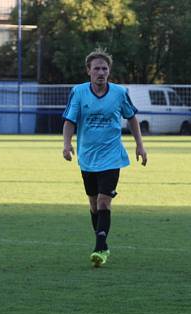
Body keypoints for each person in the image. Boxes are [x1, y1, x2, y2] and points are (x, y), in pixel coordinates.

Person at [62, 48, 147, 267]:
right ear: (88, 71)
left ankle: (100, 246)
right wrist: (66, 144)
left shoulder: (119, 93)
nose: (101, 72)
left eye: (104, 68)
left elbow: (132, 119)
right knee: (93, 204)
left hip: (112, 156)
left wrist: (140, 146)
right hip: (87, 156)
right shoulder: (79, 92)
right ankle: (103, 243)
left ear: (109, 71)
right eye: (97, 68)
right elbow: (70, 121)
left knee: (103, 200)